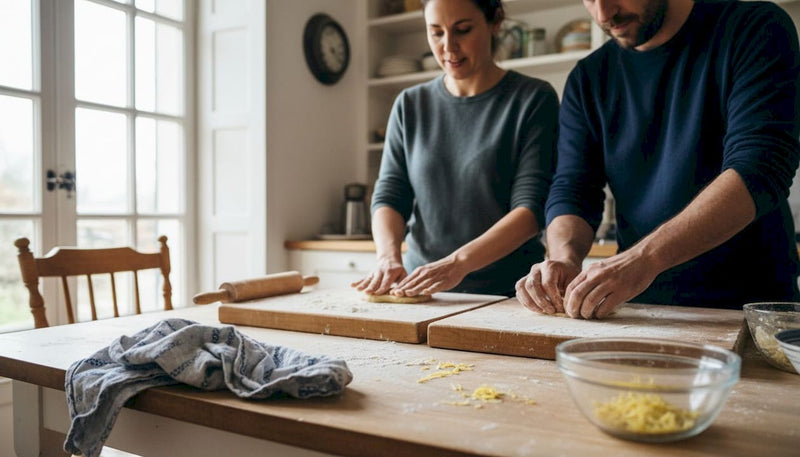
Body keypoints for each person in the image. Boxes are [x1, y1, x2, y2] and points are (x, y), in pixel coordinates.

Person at [516, 0, 800, 319]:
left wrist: (645, 258)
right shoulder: (588, 78)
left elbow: (759, 167)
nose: (603, 14)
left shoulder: (755, 28)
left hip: (749, 308)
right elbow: (573, 188)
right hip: (639, 311)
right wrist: (564, 258)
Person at [352, 0, 558, 297]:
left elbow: (531, 210)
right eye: (436, 32)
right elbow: (390, 196)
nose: (448, 47)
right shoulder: (410, 105)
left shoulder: (533, 99)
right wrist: (388, 256)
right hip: (422, 290)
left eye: (462, 30)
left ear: (495, 22)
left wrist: (458, 263)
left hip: (508, 293)